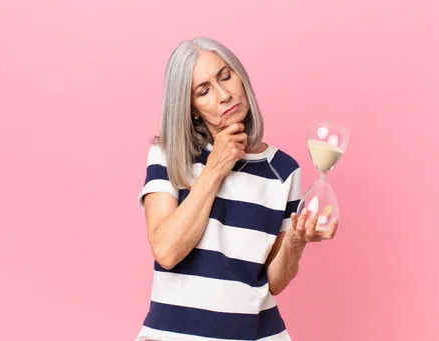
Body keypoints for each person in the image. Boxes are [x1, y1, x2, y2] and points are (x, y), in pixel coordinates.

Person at [135, 37, 339, 341]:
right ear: (191, 109)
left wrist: (296, 241)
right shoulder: (169, 154)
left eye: (226, 76)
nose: (224, 95)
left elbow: (274, 282)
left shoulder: (283, 171)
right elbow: (167, 251)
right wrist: (217, 166)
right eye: (204, 91)